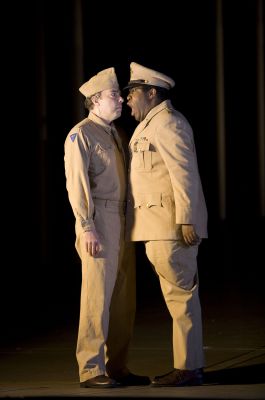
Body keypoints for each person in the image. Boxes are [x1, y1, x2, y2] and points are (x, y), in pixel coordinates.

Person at [64, 67, 150, 388]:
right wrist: (86, 226)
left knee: (123, 298)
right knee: (96, 297)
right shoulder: (81, 134)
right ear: (95, 100)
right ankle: (90, 368)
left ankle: (117, 366)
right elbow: (77, 185)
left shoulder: (115, 133)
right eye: (114, 95)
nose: (121, 99)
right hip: (98, 219)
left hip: (122, 220)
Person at [124, 62, 208, 387]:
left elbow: (184, 174)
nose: (129, 100)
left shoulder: (168, 124)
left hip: (170, 228)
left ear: (151, 92)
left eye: (133, 93)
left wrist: (187, 218)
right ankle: (188, 366)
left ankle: (188, 368)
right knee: (178, 297)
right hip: (156, 227)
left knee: (181, 297)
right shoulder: (149, 125)